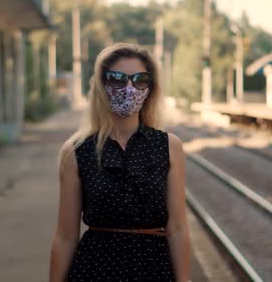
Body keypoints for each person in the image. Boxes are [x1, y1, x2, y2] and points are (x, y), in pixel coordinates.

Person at [49, 43, 192, 282]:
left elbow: (177, 228)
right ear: (101, 86)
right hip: (95, 270)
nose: (129, 87)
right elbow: (65, 236)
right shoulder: (76, 151)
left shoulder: (169, 147)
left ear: (150, 87)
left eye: (140, 79)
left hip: (154, 269)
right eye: (117, 79)